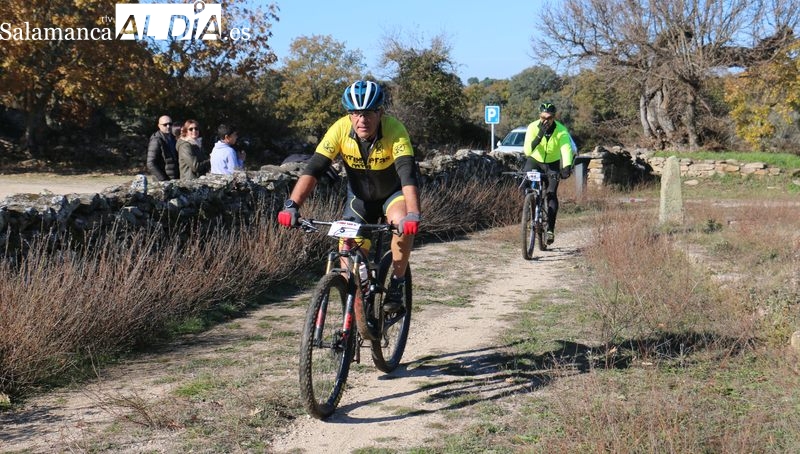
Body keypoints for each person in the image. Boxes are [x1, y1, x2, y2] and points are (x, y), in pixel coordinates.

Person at [277, 80, 421, 312]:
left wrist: (413, 214)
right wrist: (292, 205)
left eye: (368, 113)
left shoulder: (395, 130)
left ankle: (397, 282)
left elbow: (407, 175)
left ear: (380, 112)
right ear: (349, 114)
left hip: (392, 195)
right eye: (355, 113)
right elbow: (314, 169)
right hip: (359, 200)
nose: (362, 120)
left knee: (401, 223)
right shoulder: (340, 129)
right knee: (347, 263)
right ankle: (355, 315)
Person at [522, 102, 574, 245]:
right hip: (535, 160)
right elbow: (527, 151)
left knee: (551, 193)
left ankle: (550, 229)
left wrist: (567, 166)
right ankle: (529, 209)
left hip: (552, 164)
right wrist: (539, 135)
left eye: (549, 117)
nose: (545, 120)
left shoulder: (561, 130)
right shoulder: (533, 127)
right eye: (542, 117)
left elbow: (566, 149)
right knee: (523, 184)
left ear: (554, 117)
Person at [146, 115, 179, 181]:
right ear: (159, 125)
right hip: (163, 181)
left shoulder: (174, 138)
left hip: (174, 179)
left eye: (170, 124)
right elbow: (150, 163)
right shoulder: (156, 140)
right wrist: (163, 179)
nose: (168, 126)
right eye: (165, 124)